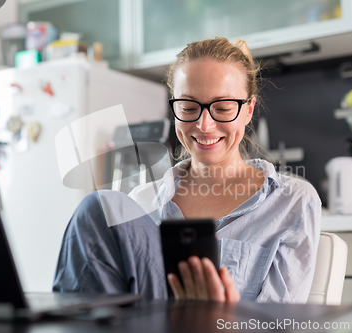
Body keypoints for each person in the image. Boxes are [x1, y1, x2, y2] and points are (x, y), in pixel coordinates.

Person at [53, 37, 321, 303]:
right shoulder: (141, 202)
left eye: (223, 108)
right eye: (189, 107)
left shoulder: (293, 201)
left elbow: (279, 325)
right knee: (99, 206)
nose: (204, 125)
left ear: (248, 110)